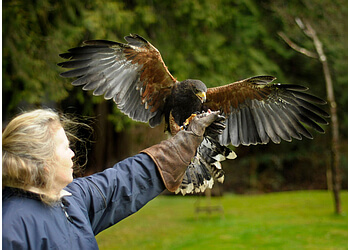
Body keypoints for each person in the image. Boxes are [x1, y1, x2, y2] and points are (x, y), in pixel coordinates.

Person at [2, 108, 220, 249]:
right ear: (44, 160)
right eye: (66, 147)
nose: (72, 154)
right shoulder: (10, 227)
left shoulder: (71, 198)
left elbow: (125, 181)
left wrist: (186, 140)